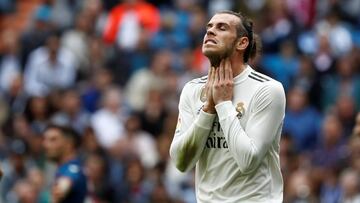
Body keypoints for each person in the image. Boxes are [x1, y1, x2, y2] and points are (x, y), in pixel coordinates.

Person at [169, 10, 286, 202]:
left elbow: (248, 161)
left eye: (221, 27)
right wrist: (208, 109)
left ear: (242, 43)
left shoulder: (267, 90)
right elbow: (181, 162)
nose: (210, 32)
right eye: (209, 27)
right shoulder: (192, 89)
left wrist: (223, 103)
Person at [43, 124, 87, 203]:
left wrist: (60, 189)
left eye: (53, 140)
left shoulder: (72, 168)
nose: (45, 145)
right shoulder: (62, 168)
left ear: (68, 144)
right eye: (45, 139)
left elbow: (67, 180)